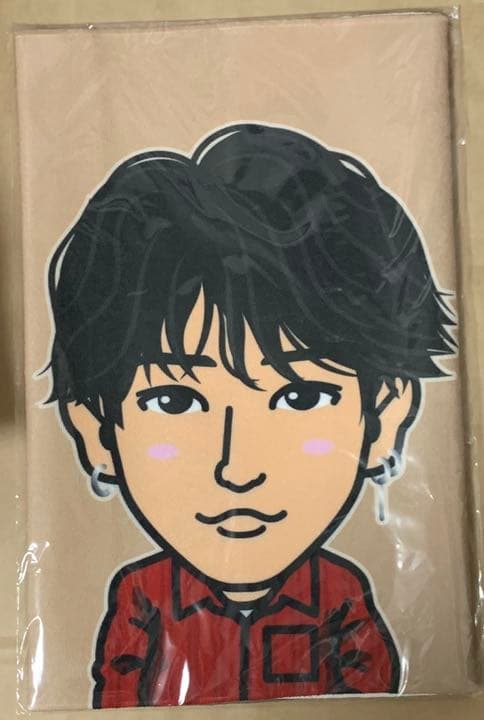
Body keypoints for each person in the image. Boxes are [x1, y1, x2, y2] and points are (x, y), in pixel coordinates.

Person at [45, 123, 456, 707]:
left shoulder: (339, 592)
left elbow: (372, 687)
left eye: (301, 397)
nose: (237, 469)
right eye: (175, 401)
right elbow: (117, 687)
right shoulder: (144, 594)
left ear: (385, 413)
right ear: (94, 430)